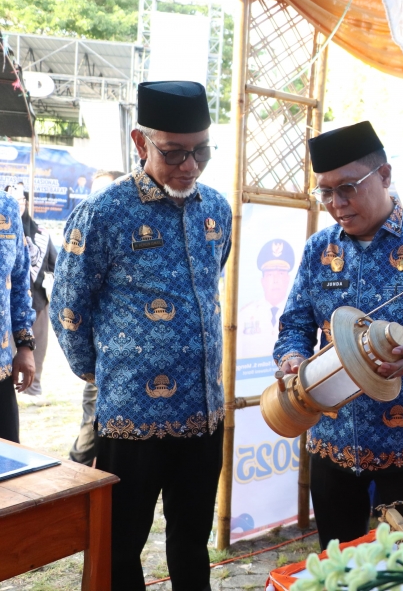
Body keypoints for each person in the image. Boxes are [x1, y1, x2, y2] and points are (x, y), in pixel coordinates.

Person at [50, 81, 230, 591]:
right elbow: (69, 308)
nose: (189, 166)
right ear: (139, 141)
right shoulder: (104, 213)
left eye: (201, 151)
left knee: (191, 542)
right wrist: (105, 374)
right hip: (131, 419)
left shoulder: (216, 209)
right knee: (120, 546)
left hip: (203, 416)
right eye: (173, 153)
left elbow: (211, 281)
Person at [274, 121, 403, 548]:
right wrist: (292, 360)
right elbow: (294, 324)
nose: (336, 204)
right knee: (339, 564)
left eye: (347, 188)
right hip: (332, 443)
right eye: (325, 192)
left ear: (384, 175)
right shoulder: (319, 249)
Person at [68, 170, 125, 465]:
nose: (97, 201)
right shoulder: (84, 236)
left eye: (105, 193)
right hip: (100, 362)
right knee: (88, 437)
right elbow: (70, 303)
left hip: (128, 367)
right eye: (93, 193)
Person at [8, 187, 57, 404]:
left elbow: (55, 264)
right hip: (7, 303)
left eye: (20, 200)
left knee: (35, 349)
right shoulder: (5, 232)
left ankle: (33, 389)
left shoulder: (41, 234)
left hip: (37, 300)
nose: (16, 204)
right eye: (12, 199)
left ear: (26, 203)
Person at [0, 186, 35, 442]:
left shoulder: (6, 206)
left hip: (0, 371)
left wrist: (25, 345)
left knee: (7, 457)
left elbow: (20, 280)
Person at [237, 238, 295, 359]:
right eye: (270, 275)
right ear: (262, 281)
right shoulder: (245, 315)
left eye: (280, 274)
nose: (275, 280)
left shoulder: (299, 313)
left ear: (288, 279)